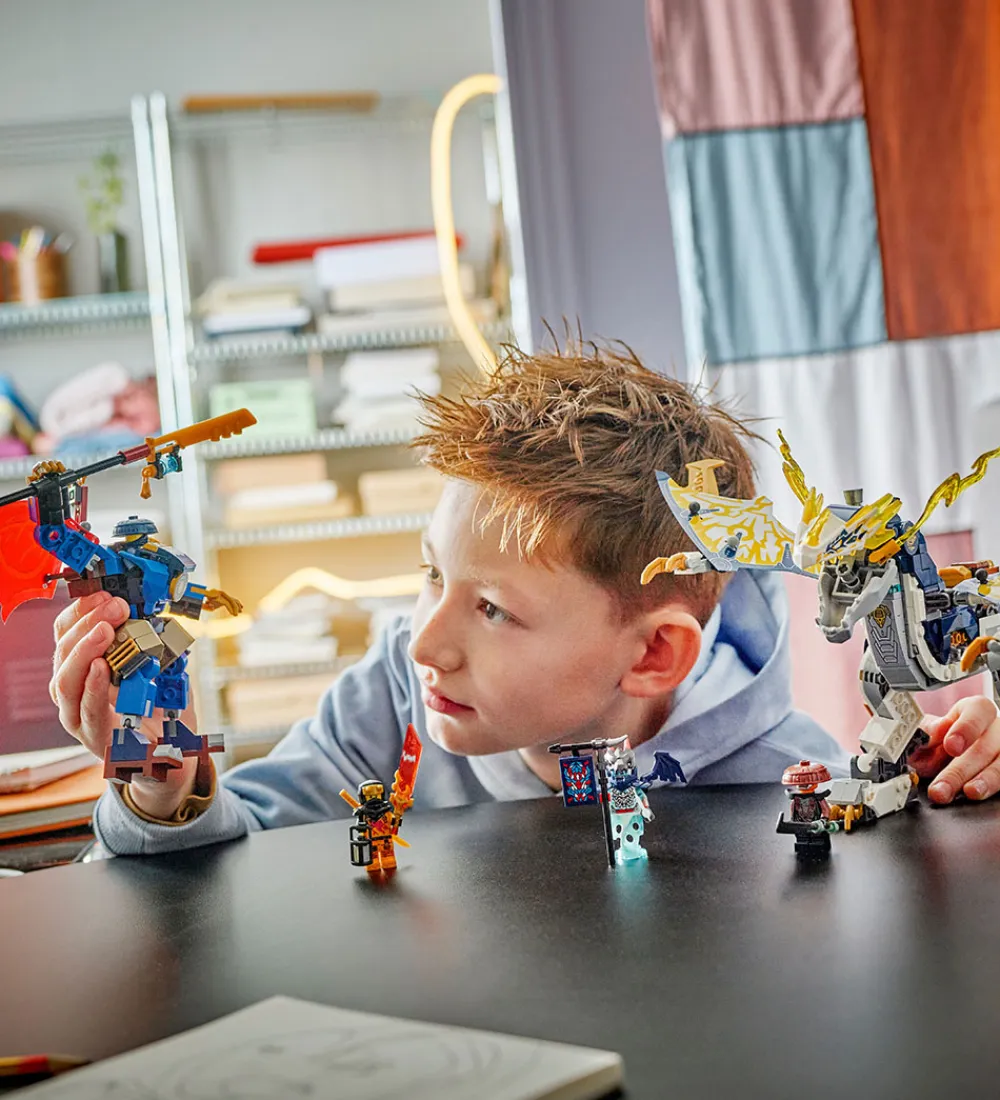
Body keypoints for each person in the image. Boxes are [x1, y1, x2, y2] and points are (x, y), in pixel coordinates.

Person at [49, 342, 1000, 855]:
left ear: (653, 654)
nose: (423, 642)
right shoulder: (392, 700)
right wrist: (162, 787)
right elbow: (231, 850)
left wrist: (964, 783)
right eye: (433, 574)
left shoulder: (785, 777)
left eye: (493, 609)